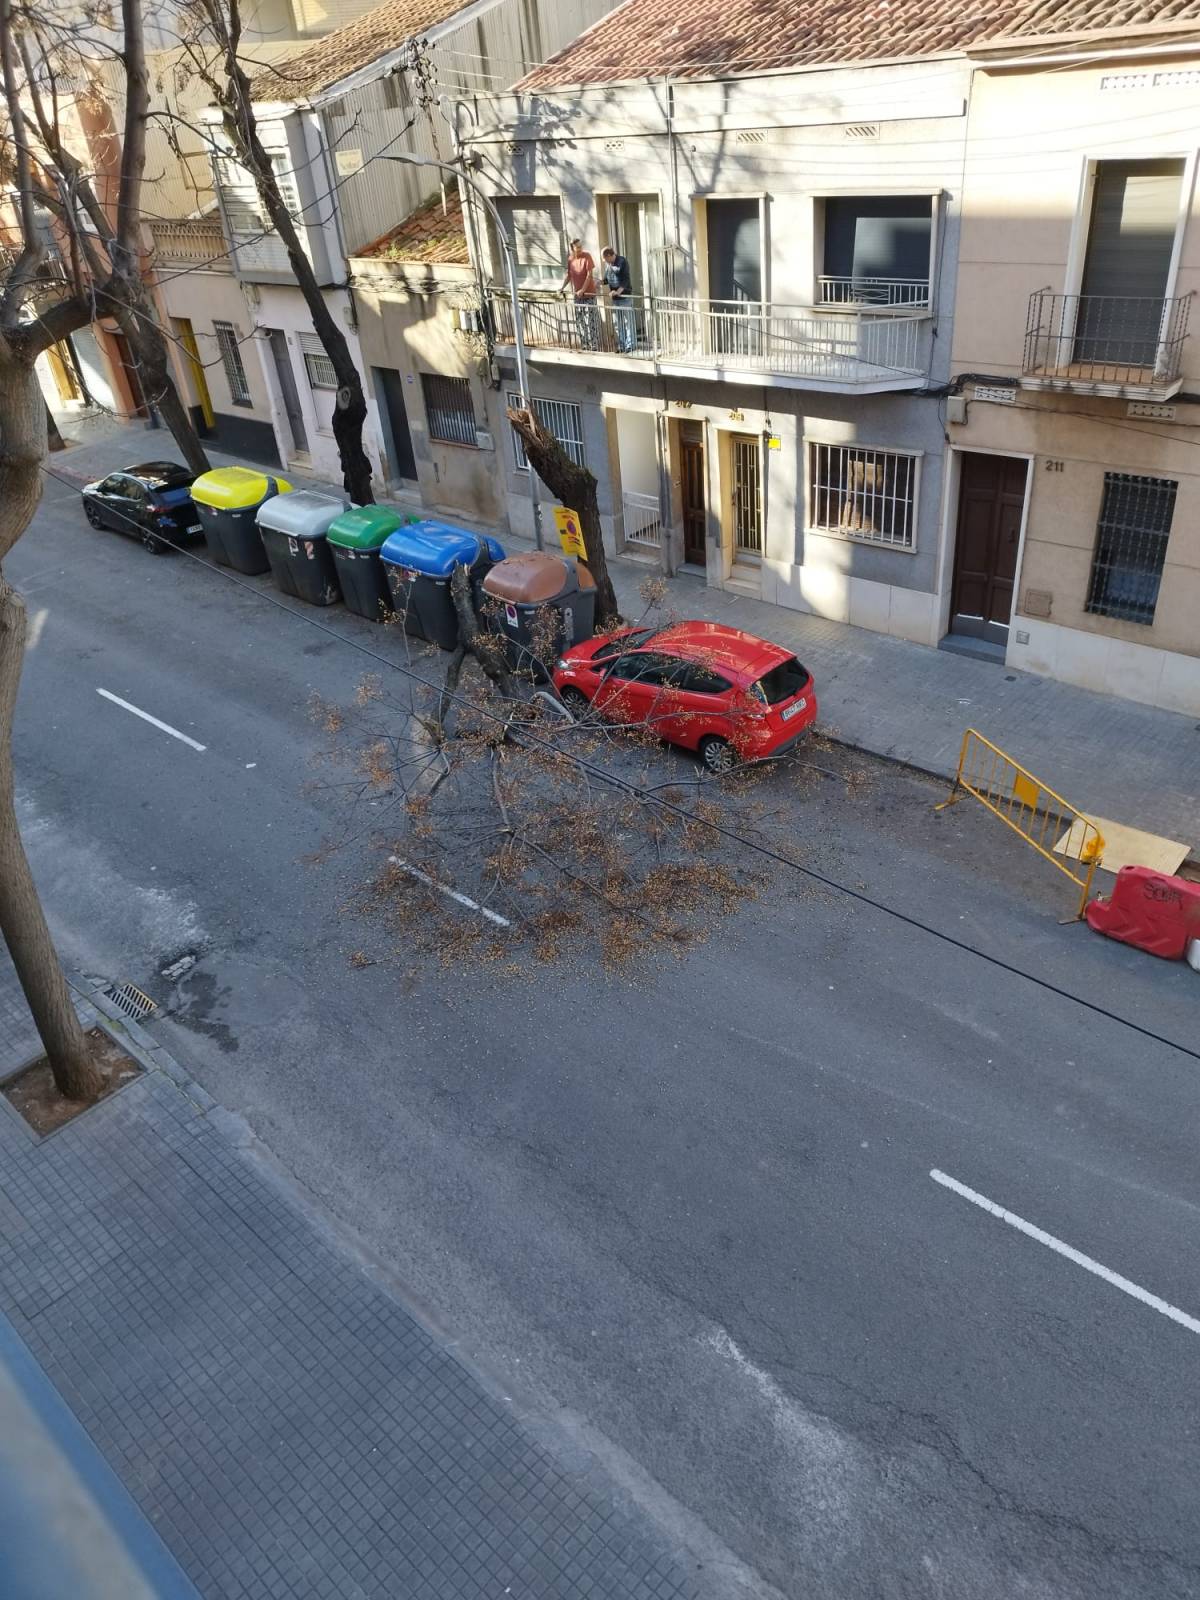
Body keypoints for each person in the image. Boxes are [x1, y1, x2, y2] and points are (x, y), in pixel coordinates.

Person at [560, 239, 597, 350]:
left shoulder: (587, 256)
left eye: (581, 246)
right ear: (572, 249)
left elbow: (589, 275)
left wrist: (583, 289)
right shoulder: (570, 259)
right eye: (578, 247)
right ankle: (585, 343)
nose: (580, 249)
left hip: (589, 294)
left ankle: (594, 344)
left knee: (592, 320)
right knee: (580, 320)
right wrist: (562, 287)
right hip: (577, 296)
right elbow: (569, 275)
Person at [602, 246, 635, 352]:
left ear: (609, 255)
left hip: (625, 297)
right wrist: (600, 282)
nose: (605, 262)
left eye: (606, 259)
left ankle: (630, 345)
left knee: (628, 322)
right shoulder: (608, 264)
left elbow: (625, 280)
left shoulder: (622, 261)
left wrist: (618, 292)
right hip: (615, 299)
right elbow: (607, 279)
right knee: (618, 323)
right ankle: (622, 345)